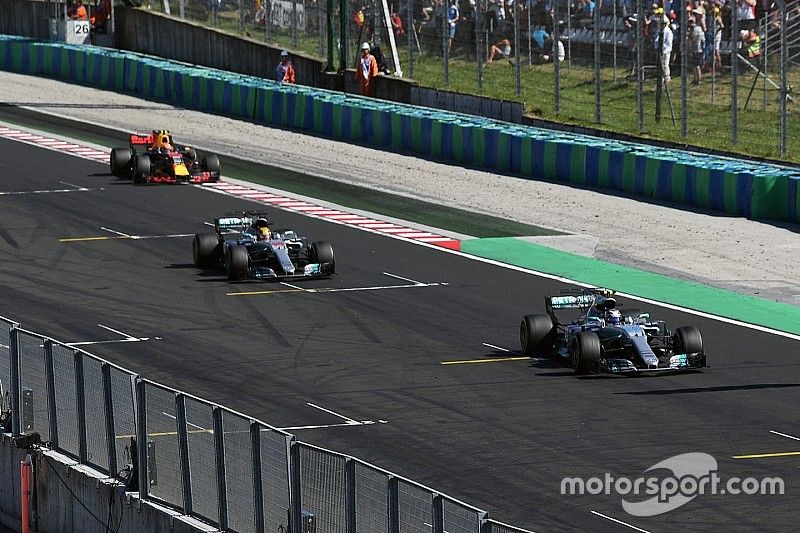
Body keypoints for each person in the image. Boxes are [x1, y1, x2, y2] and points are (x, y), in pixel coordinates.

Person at [688, 18, 705, 84]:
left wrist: (689, 34)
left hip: (697, 49)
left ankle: (698, 80)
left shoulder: (695, 29)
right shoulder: (699, 28)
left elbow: (693, 38)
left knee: (697, 66)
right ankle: (695, 79)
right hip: (698, 48)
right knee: (694, 65)